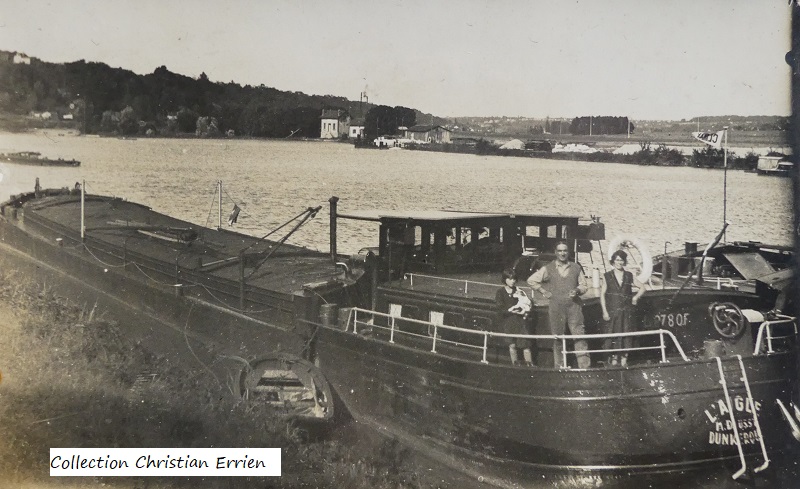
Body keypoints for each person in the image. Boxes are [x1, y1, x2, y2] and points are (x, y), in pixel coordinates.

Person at [527, 241, 590, 369]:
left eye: (565, 250)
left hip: (574, 307)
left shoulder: (576, 267)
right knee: (558, 338)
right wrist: (544, 291)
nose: (562, 253)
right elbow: (531, 280)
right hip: (556, 308)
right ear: (555, 252)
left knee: (579, 337)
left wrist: (577, 290)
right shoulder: (548, 268)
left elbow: (584, 285)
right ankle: (559, 367)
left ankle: (584, 367)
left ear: (568, 252)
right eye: (560, 251)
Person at [600, 250, 645, 367]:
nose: (619, 262)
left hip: (626, 312)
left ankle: (624, 360)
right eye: (617, 260)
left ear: (624, 262)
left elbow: (642, 287)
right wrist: (604, 311)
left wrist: (635, 297)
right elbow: (602, 294)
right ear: (613, 261)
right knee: (613, 335)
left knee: (626, 335)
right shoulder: (607, 276)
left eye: (621, 260)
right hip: (613, 311)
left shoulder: (629, 275)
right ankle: (614, 359)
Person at [495, 269, 534, 366]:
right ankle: (515, 365)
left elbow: (526, 302)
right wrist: (510, 311)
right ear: (505, 279)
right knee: (512, 345)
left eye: (514, 279)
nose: (512, 281)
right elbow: (500, 308)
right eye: (509, 279)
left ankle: (530, 365)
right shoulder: (500, 292)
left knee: (525, 345)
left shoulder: (519, 291)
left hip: (520, 322)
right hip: (509, 322)